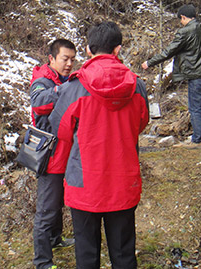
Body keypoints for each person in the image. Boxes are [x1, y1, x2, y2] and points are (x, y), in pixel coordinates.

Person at [49, 22, 149, 269]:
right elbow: (141, 123)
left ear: (87, 50)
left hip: (84, 183)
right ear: (117, 50)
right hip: (124, 182)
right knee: (124, 253)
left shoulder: (74, 88)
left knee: (86, 254)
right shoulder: (137, 86)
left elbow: (60, 130)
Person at [141, 4, 201, 149]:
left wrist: (149, 63)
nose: (181, 23)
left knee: (195, 107)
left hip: (197, 76)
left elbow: (168, 52)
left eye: (181, 20)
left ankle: (197, 140)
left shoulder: (184, 32)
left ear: (183, 17)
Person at [30, 38, 76, 269]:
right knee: (47, 209)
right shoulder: (42, 80)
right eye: (64, 59)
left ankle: (56, 240)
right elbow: (38, 102)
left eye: (72, 59)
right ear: (52, 58)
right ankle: (42, 262)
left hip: (65, 153)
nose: (69, 64)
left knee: (58, 202)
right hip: (49, 156)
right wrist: (65, 89)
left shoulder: (64, 79)